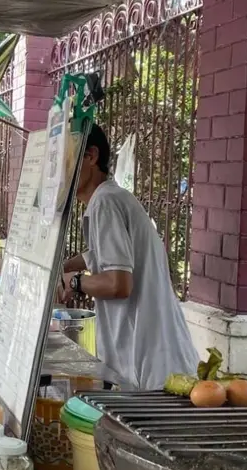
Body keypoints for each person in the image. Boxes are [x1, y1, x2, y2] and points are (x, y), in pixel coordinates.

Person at [60, 124, 198, 391]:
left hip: (153, 365)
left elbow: (118, 284)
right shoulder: (111, 198)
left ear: (91, 156)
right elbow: (104, 254)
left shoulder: (105, 203)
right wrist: (62, 266)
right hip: (157, 360)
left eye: (64, 161)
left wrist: (75, 282)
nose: (59, 173)